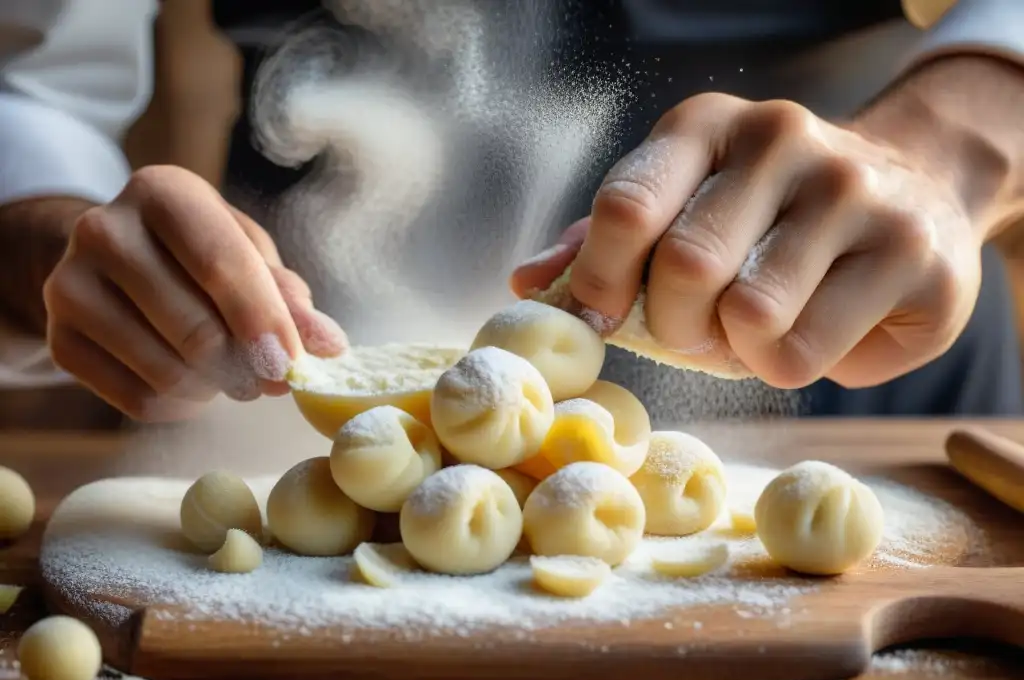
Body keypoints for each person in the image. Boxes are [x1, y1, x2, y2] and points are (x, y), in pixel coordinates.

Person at [1, 0, 1023, 425]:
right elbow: (29, 90)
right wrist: (45, 235)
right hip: (284, 404)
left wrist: (940, 151)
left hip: (848, 326)